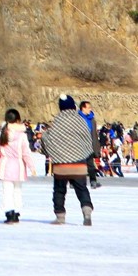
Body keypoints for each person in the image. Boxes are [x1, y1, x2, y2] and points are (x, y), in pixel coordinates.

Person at [43, 95, 97, 225]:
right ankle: (87, 212)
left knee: (59, 190)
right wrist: (83, 154)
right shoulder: (80, 121)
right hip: (78, 163)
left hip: (61, 164)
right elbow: (87, 139)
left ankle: (60, 216)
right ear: (74, 106)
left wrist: (51, 152)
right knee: (82, 189)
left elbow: (48, 140)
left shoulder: (57, 122)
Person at [0, 107, 33, 223]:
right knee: (17, 190)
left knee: (7, 191)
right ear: (18, 120)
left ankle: (9, 212)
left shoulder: (2, 134)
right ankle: (16, 212)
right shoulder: (22, 135)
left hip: (5, 165)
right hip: (19, 166)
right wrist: (31, 166)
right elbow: (26, 152)